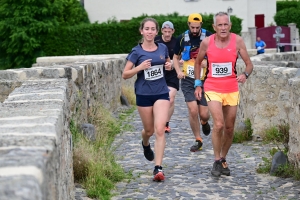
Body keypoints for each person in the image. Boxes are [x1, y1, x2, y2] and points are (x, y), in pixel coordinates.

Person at [194, 12, 254, 177]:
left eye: (225, 24)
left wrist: (245, 75)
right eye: (219, 25)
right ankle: (215, 160)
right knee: (219, 124)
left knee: (229, 127)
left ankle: (223, 158)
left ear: (230, 25)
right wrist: (198, 84)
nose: (223, 28)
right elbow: (198, 62)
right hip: (212, 87)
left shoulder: (237, 41)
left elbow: (249, 64)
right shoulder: (207, 42)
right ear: (214, 27)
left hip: (232, 88)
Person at [122, 17, 172, 182]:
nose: (150, 32)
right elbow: (125, 74)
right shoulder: (136, 52)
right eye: (147, 29)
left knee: (159, 129)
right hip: (143, 94)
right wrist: (140, 67)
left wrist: (168, 65)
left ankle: (158, 168)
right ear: (141, 31)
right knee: (149, 131)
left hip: (161, 93)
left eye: (153, 29)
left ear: (156, 32)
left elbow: (167, 62)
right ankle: (145, 143)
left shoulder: (162, 48)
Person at [173, 13, 211, 152]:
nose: (195, 30)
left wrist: (208, 61)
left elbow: (217, 54)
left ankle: (204, 121)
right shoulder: (182, 38)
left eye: (197, 27)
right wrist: (178, 71)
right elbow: (175, 57)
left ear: (201, 25)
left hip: (205, 78)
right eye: (192, 27)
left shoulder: (209, 36)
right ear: (188, 25)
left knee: (204, 113)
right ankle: (198, 139)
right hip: (188, 79)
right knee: (193, 110)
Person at [155, 21, 179, 134]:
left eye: (169, 32)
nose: (167, 34)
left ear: (173, 31)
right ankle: (158, 120)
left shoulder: (177, 42)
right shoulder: (156, 42)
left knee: (170, 98)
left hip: (172, 74)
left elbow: (183, 58)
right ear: (161, 31)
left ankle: (166, 124)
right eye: (165, 31)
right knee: (158, 99)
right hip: (158, 74)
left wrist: (173, 64)